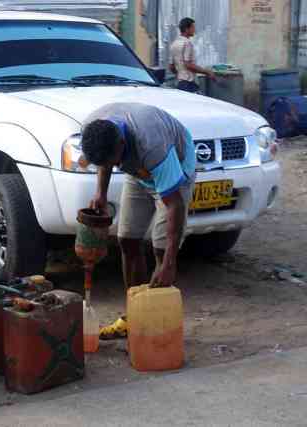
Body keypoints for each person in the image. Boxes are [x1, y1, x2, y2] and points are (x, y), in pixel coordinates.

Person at [80, 103, 196, 340]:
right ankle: (134, 318)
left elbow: (174, 205)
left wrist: (169, 264)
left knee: (162, 250)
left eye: (113, 161)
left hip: (174, 168)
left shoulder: (152, 144)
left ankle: (157, 328)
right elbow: (104, 160)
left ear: (121, 144)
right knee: (127, 241)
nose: (111, 166)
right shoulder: (94, 129)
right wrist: (100, 193)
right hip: (139, 173)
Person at [169, 17, 216, 93]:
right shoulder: (187, 43)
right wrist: (207, 72)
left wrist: (180, 73)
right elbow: (188, 64)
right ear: (186, 29)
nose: (194, 30)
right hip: (188, 83)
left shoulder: (174, 43)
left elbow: (171, 66)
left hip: (180, 83)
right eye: (193, 27)